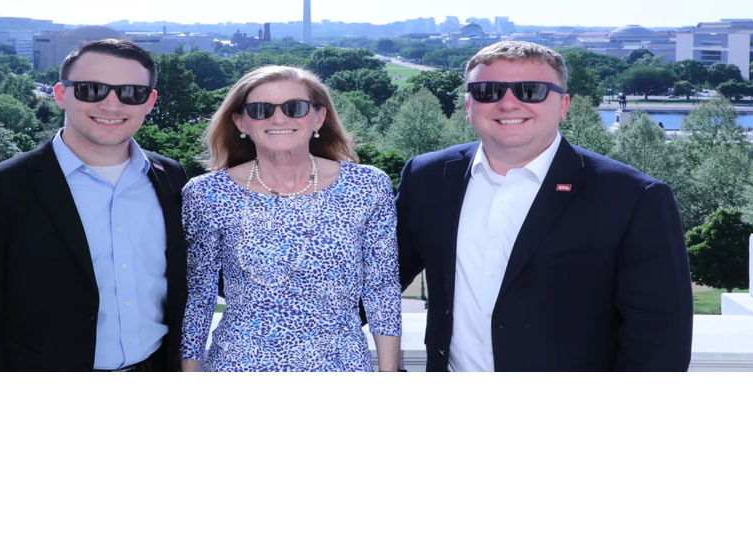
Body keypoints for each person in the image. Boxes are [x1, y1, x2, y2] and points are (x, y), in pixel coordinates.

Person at [396, 41, 693, 371]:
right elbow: (376, 279)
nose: (508, 103)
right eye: (488, 91)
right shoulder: (427, 178)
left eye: (531, 91)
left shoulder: (634, 197)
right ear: (469, 105)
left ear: (563, 105)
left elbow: (660, 337)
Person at [0, 39, 189, 372]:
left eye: (131, 92)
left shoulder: (170, 176)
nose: (111, 105)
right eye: (91, 89)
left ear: (150, 102)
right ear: (60, 94)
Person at [181, 65, 401, 372]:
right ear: (241, 121)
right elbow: (198, 298)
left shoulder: (368, 186)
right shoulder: (206, 193)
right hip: (239, 364)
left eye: (295, 108)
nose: (279, 118)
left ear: (318, 118)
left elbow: (382, 289)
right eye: (261, 110)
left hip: (341, 364)